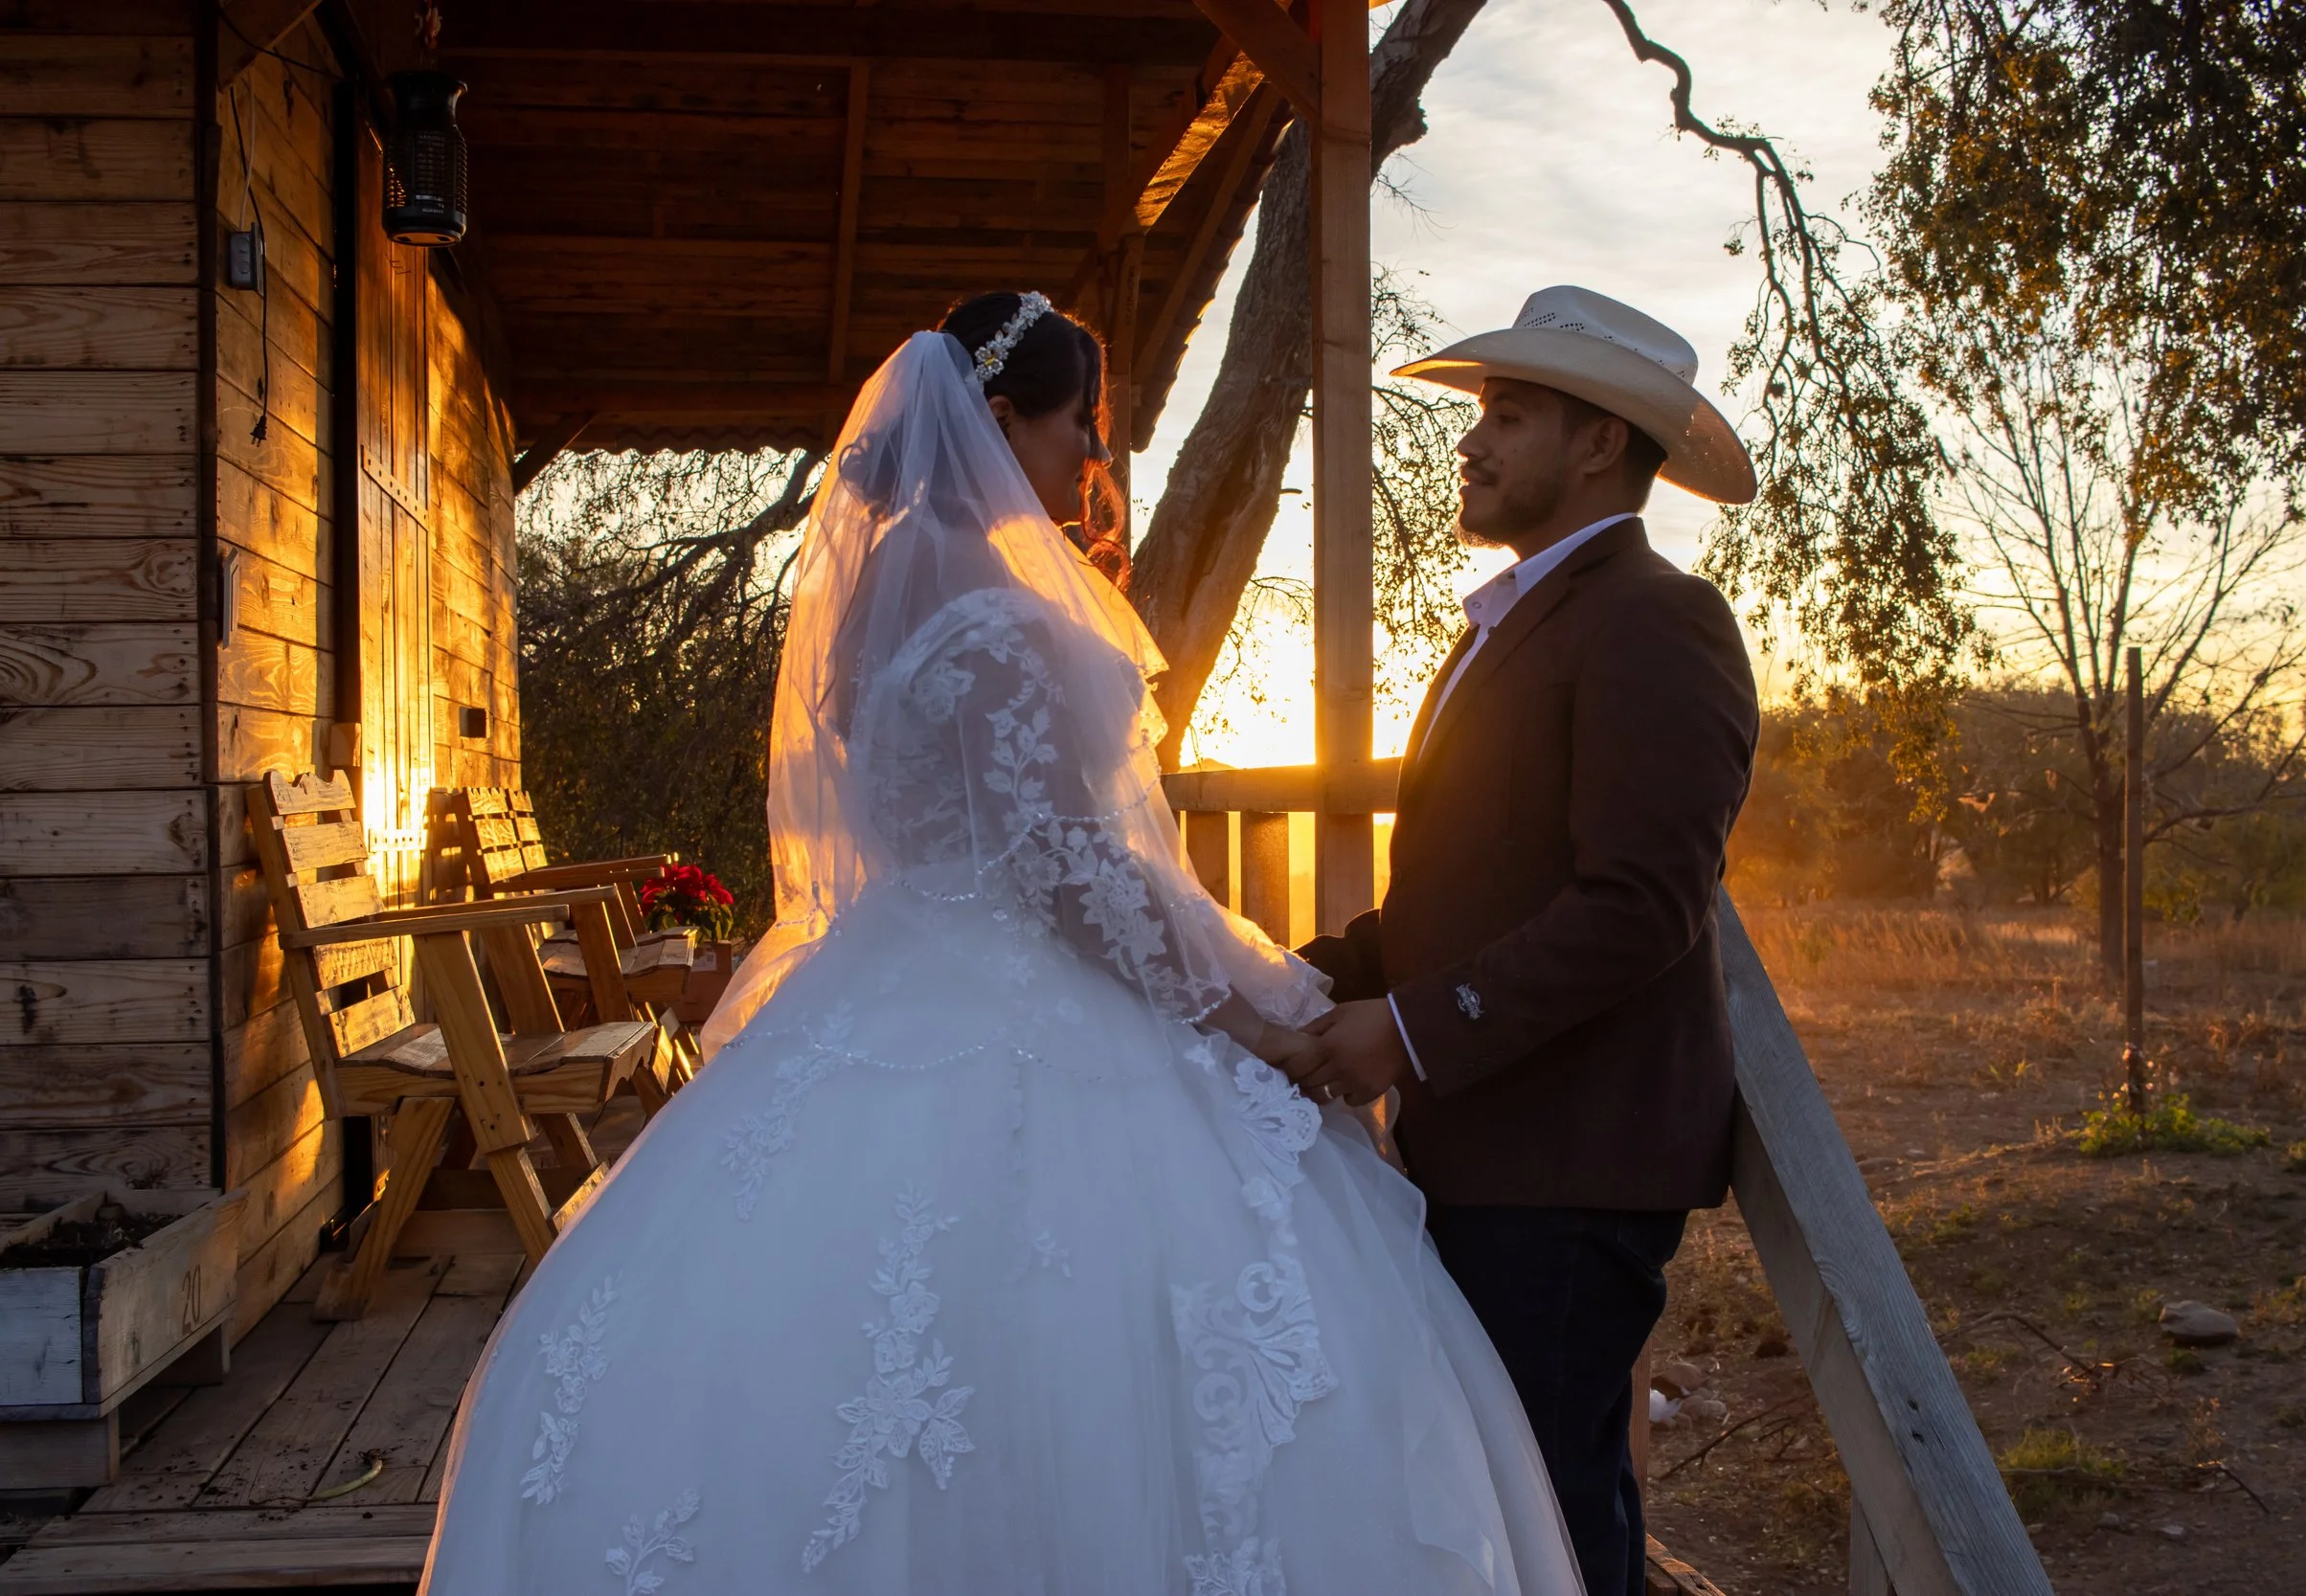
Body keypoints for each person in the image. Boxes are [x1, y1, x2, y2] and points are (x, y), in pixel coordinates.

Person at [418, 293, 1586, 1595]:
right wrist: (1250, 1019)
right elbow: (1078, 873)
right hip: (1018, 993)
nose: (1091, 456)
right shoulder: (996, 613)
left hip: (893, 969)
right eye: (1078, 422)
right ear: (995, 420)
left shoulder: (884, 594)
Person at [1288, 287, 1762, 1596]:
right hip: (1491, 1145)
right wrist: (1307, 974)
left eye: (1508, 413)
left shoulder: (1660, 622)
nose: (1471, 440)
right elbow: (1478, 889)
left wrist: (1410, 1028)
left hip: (1569, 1165)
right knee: (1488, 1498)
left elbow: (1639, 905)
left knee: (1551, 1506)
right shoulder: (1516, 624)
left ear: (1601, 443)